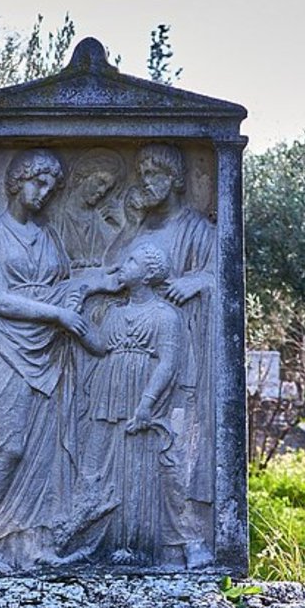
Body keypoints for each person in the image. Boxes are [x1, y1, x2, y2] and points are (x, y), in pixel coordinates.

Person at [0, 148, 96, 570]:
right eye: (36, 182)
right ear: (16, 180)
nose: (43, 192)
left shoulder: (47, 236)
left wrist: (96, 288)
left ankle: (31, 547)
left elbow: (62, 285)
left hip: (48, 353)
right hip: (3, 350)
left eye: (50, 186)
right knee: (10, 448)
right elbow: (0, 299)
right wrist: (58, 314)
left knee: (46, 453)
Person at [109, 143, 216, 564]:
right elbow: (119, 275)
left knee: (174, 454)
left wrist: (199, 282)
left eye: (155, 174)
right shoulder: (141, 233)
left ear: (175, 180)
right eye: (142, 174)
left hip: (181, 356)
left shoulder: (198, 230)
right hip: (137, 363)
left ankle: (190, 541)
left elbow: (224, 275)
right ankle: (137, 540)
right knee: (137, 455)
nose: (146, 182)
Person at [59, 244, 187, 567]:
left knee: (135, 469)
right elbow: (101, 347)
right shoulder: (115, 313)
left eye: (131, 260)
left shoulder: (165, 316)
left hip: (140, 396)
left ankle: (132, 545)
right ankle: (82, 536)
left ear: (147, 274)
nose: (123, 264)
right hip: (108, 395)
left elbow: (167, 364)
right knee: (96, 466)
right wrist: (77, 321)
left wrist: (146, 405)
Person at [59, 148, 125, 271]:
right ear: (82, 177)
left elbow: (122, 256)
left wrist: (122, 222)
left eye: (108, 189)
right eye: (101, 182)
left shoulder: (99, 221)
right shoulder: (57, 217)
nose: (103, 192)